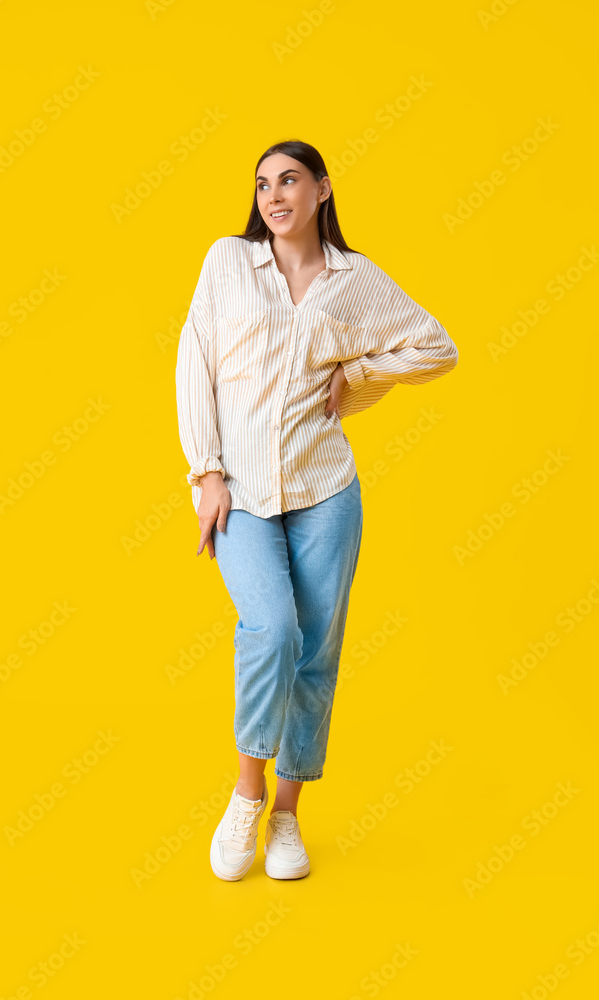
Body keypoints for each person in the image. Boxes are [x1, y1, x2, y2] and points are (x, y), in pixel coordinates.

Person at [175, 139, 459, 882]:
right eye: (263, 183)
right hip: (241, 491)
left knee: (316, 652)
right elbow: (193, 359)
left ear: (321, 190)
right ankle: (246, 792)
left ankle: (288, 816)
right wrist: (205, 473)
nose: (274, 195)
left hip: (326, 492)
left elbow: (436, 348)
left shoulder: (352, 281)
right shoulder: (228, 262)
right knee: (270, 628)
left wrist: (360, 374)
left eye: (290, 180)